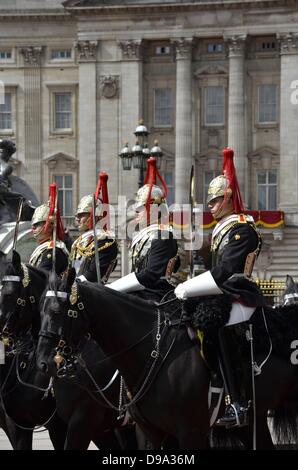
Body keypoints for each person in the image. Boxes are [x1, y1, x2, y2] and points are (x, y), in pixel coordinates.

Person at [174, 147, 263, 428]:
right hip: (222, 291)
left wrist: (189, 287)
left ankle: (238, 403)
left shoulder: (241, 228)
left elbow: (226, 271)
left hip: (241, 293)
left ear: (226, 198)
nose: (209, 206)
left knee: (221, 327)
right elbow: (210, 265)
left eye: (214, 201)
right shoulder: (221, 229)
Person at [107, 157, 180, 301]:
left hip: (156, 295)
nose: (136, 212)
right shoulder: (145, 235)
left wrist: (113, 288)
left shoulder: (163, 235)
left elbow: (151, 274)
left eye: (140, 209)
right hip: (141, 293)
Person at [69, 172, 118, 283]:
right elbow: (74, 269)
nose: (77, 219)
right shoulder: (79, 242)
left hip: (93, 292)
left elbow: (93, 274)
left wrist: (70, 284)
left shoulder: (105, 239)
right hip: (75, 289)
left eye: (81, 215)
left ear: (95, 215)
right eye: (77, 215)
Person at [29, 183, 69, 276]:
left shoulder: (54, 250)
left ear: (50, 226)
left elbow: (41, 276)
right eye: (33, 224)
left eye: (37, 224)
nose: (33, 227)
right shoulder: (44, 248)